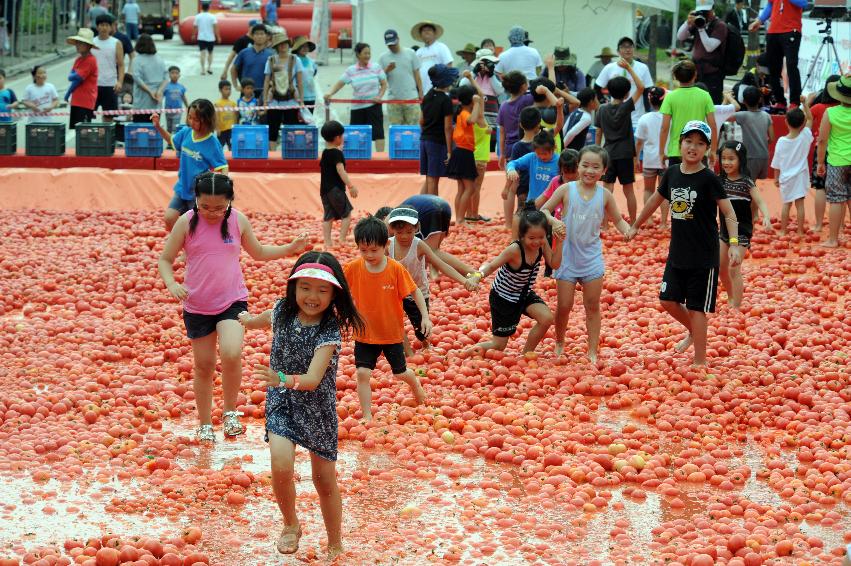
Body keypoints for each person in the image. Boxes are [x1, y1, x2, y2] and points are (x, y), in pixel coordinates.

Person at [158, 171, 309, 442]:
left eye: (219, 207)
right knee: (203, 365)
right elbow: (165, 259)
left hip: (231, 301)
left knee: (230, 352)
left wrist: (290, 248)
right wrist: (171, 284)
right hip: (197, 305)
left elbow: (259, 252)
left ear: (229, 202)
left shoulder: (237, 221)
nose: (212, 213)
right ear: (195, 200)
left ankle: (229, 412)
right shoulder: (186, 222)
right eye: (205, 206)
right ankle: (204, 422)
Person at [238, 251, 362, 560]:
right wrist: (246, 321)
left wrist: (278, 377)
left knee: (324, 481)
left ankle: (335, 543)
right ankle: (291, 524)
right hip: (282, 402)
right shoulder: (281, 311)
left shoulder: (329, 331)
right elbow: (262, 319)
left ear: (335, 293)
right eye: (305, 287)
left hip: (317, 409)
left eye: (322, 290)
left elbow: (311, 379)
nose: (312, 296)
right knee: (280, 465)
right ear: (293, 286)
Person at [628, 121, 743, 366]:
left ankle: (700, 360)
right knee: (667, 300)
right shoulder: (671, 173)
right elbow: (655, 202)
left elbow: (729, 213)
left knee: (696, 306)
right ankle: (694, 331)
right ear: (679, 144)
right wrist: (636, 224)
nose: (693, 147)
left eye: (700, 143)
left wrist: (733, 242)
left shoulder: (709, 179)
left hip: (704, 255)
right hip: (678, 253)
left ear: (707, 149)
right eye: (688, 141)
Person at [540, 145, 630, 361]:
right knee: (564, 305)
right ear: (578, 166)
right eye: (585, 165)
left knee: (592, 305)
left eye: (595, 167)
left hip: (591, 258)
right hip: (567, 257)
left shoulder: (605, 195)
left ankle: (592, 351)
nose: (590, 171)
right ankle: (559, 342)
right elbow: (543, 210)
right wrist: (553, 221)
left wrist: (628, 231)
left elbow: (617, 219)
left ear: (604, 170)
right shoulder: (566, 189)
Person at [344, 217, 430, 422]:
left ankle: (415, 384)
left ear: (386, 245)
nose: (369, 255)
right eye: (363, 250)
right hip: (364, 333)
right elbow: (338, 290)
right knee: (363, 373)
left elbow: (416, 292)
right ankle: (367, 415)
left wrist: (425, 317)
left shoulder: (395, 269)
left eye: (374, 250)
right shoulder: (353, 268)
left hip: (391, 334)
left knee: (400, 373)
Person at [465, 210, 563, 356]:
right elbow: (492, 265)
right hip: (503, 297)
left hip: (523, 293)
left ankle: (526, 354)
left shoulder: (541, 244)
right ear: (522, 236)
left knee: (546, 318)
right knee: (498, 346)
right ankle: (465, 353)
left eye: (541, 237)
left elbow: (554, 264)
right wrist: (476, 276)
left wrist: (560, 241)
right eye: (531, 238)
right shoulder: (514, 250)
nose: (536, 242)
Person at [386, 207, 476, 354]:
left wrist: (464, 281)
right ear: (392, 230)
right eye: (399, 233)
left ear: (417, 229)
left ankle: (426, 345)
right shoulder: (388, 245)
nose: (403, 236)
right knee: (394, 323)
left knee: (421, 329)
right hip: (394, 292)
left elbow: (440, 264)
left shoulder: (419, 245)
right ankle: (408, 354)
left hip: (417, 292)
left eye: (409, 232)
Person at [151, 99, 228, 230]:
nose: (191, 121)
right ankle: (183, 244)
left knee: (197, 227)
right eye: (189, 117)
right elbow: (171, 140)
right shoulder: (186, 132)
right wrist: (158, 126)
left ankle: (194, 247)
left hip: (198, 194)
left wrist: (221, 191)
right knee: (169, 218)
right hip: (182, 188)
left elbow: (222, 167)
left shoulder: (212, 143)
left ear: (206, 120)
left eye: (196, 119)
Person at [717, 140, 772, 309]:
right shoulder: (719, 181)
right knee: (720, 268)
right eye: (724, 158)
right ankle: (731, 295)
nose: (726, 162)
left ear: (741, 159)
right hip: (724, 231)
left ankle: (736, 306)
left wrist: (767, 216)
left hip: (742, 231)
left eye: (731, 158)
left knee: (734, 268)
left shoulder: (747, 182)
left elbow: (761, 201)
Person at [595, 58, 645, 222]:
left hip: (607, 153)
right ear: (626, 94)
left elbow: (598, 133)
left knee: (606, 188)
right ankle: (632, 221)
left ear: (608, 91)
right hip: (624, 153)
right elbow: (641, 87)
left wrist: (597, 152)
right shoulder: (626, 106)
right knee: (628, 189)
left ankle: (604, 223)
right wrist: (629, 68)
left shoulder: (601, 109)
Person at [325, 43, 387, 152]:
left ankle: (380, 157)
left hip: (374, 105)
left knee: (378, 133)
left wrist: (379, 96)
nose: (367, 55)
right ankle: (357, 157)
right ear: (358, 54)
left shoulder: (376, 67)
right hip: (357, 108)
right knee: (356, 134)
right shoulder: (351, 70)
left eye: (369, 53)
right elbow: (340, 84)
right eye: (365, 53)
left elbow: (384, 84)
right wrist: (330, 93)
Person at [748, 0, 805, 112]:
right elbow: (770, 4)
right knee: (773, 68)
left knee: (791, 65)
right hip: (773, 30)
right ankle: (780, 101)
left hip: (791, 29)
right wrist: (759, 20)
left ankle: (794, 102)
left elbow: (803, 3)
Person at [659, 60, 717, 168]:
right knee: (698, 184)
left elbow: (664, 128)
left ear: (676, 77)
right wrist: (713, 150)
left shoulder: (670, 97)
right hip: (699, 150)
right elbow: (713, 126)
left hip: (677, 151)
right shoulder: (705, 95)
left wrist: (661, 152)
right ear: (695, 75)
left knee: (677, 184)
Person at [816, 71, 851, 248]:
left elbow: (822, 140)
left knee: (837, 199)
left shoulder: (831, 113)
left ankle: (833, 239)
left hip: (837, 161)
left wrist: (820, 162)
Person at [772, 98, 812, 235]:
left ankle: (783, 230)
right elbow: (810, 120)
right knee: (800, 204)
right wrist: (806, 104)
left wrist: (776, 178)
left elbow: (776, 162)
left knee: (786, 204)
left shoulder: (782, 142)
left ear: (786, 122)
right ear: (803, 124)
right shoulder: (805, 136)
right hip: (801, 176)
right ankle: (800, 231)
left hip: (786, 177)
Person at [594, 37, 653, 127]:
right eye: (623, 47)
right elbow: (597, 87)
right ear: (618, 51)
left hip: (637, 117)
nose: (627, 49)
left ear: (634, 49)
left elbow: (647, 90)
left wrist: (648, 111)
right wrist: (603, 103)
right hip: (616, 116)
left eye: (630, 46)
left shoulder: (643, 67)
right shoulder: (610, 68)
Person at [677, 1, 728, 104]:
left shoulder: (720, 25)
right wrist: (687, 23)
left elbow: (709, 47)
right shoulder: (697, 21)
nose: (703, 13)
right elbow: (680, 36)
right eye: (702, 10)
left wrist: (701, 28)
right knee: (694, 103)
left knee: (711, 103)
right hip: (696, 72)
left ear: (712, 9)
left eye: (706, 11)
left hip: (713, 74)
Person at [446, 85, 483, 225]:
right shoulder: (465, 114)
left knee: (462, 188)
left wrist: (477, 103)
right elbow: (473, 120)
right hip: (463, 152)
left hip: (461, 152)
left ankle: (459, 218)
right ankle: (460, 218)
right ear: (471, 100)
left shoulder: (461, 112)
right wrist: (478, 103)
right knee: (470, 187)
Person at [419, 64, 457, 196]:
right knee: (433, 178)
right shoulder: (446, 100)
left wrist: (426, 133)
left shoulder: (427, 96)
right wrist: (449, 150)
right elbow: (448, 127)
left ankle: (420, 207)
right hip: (437, 142)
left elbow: (421, 121)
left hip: (424, 140)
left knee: (429, 177)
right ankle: (432, 211)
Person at [319, 121, 358, 249]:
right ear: (337, 138)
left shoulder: (325, 152)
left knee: (328, 216)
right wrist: (351, 186)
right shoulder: (337, 154)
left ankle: (327, 242)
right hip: (335, 190)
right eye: (342, 136)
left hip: (324, 190)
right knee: (346, 215)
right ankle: (342, 239)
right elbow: (341, 171)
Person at [809, 76, 840, 232]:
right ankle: (840, 226)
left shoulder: (819, 108)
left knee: (820, 188)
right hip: (842, 152)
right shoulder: (843, 109)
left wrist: (807, 102)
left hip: (822, 150)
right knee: (843, 191)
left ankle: (819, 224)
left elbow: (800, 120)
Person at [264, 32, 304, 151]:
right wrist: (265, 100)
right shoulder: (271, 60)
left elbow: (300, 81)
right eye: (280, 44)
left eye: (285, 43)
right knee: (273, 129)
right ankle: (272, 154)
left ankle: (290, 153)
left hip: (291, 99)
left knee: (291, 128)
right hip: (274, 100)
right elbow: (266, 81)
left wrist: (301, 100)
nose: (283, 46)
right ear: (276, 46)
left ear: (288, 44)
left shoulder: (295, 59)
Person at [503, 107, 542, 228]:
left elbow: (513, 170)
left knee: (522, 211)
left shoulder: (517, 146)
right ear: (538, 125)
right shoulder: (541, 144)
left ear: (520, 124)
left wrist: (507, 187)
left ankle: (514, 228)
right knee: (536, 210)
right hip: (538, 183)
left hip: (523, 185)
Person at [635, 86, 669, 227]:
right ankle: (663, 222)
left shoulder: (644, 118)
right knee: (664, 192)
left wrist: (636, 158)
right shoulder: (669, 117)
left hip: (649, 159)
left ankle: (648, 220)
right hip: (665, 159)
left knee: (648, 190)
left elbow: (639, 142)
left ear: (649, 100)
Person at [379, 29, 422, 126]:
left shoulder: (410, 53)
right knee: (395, 131)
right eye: (389, 45)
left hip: (411, 98)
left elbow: (417, 75)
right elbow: (379, 79)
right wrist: (387, 70)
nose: (392, 47)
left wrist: (420, 93)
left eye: (393, 43)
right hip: (393, 99)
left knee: (414, 128)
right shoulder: (383, 57)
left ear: (398, 39)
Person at [733, 86, 775, 183]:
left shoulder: (743, 115)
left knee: (748, 186)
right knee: (754, 185)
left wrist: (729, 98)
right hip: (764, 155)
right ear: (760, 99)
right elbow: (772, 138)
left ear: (743, 101)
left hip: (750, 156)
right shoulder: (767, 116)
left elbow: (724, 116)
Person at [92, 14, 124, 123]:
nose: (104, 28)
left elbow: (121, 64)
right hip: (93, 85)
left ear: (111, 27)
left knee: (109, 118)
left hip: (110, 85)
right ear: (97, 27)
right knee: (88, 116)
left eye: (106, 25)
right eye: (101, 25)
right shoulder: (91, 43)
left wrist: (120, 82)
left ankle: (106, 139)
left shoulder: (116, 43)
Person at [65, 28, 99, 129]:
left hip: (85, 101)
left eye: (81, 43)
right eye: (77, 43)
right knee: (77, 129)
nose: (77, 45)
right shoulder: (78, 59)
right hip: (76, 99)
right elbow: (72, 76)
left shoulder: (91, 60)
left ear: (88, 46)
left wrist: (67, 93)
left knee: (84, 131)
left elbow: (77, 78)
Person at [497, 71, 532, 169]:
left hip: (509, 149)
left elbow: (502, 132)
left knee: (513, 178)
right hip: (526, 146)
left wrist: (502, 154)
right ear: (523, 86)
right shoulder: (528, 99)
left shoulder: (503, 106)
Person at [458, 49, 503, 123]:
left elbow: (500, 91)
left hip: (491, 115)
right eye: (486, 62)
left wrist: (491, 75)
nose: (489, 65)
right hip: (475, 114)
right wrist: (474, 72)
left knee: (491, 133)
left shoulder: (494, 76)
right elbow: (462, 85)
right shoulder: (472, 75)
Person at [232, 24, 273, 103]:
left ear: (266, 36)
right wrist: (236, 85)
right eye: (257, 34)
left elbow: (275, 73)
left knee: (263, 114)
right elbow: (233, 69)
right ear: (252, 36)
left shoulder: (271, 55)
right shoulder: (244, 52)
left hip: (264, 91)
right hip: (246, 92)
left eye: (262, 34)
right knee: (245, 115)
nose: (259, 36)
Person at [130, 34, 166, 123]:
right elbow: (166, 78)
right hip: (157, 102)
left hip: (141, 102)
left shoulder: (137, 60)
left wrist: (150, 92)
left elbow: (137, 79)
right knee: (154, 130)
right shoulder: (159, 59)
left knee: (140, 130)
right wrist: (159, 91)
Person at [412, 21, 452, 93]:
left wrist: (446, 87)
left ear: (434, 33)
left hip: (440, 91)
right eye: (424, 31)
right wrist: (420, 91)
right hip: (423, 92)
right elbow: (416, 72)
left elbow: (449, 66)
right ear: (421, 35)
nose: (426, 32)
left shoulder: (442, 47)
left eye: (429, 30)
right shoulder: (418, 52)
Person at [562, 87, 598, 152]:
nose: (597, 102)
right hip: (573, 152)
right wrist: (561, 147)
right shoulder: (587, 118)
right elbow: (571, 133)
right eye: (596, 99)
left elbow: (564, 130)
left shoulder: (575, 111)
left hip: (568, 149)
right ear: (591, 102)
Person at [192, 1, 220, 76]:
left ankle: (202, 69)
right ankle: (209, 67)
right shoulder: (212, 16)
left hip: (201, 37)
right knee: (210, 53)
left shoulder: (198, 16)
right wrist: (218, 36)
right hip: (210, 38)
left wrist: (193, 35)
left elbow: (195, 27)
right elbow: (215, 27)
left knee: (202, 53)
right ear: (208, 8)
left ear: (202, 8)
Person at [292, 36, 318, 111]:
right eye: (302, 46)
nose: (305, 48)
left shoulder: (312, 62)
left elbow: (314, 74)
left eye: (307, 46)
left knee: (309, 119)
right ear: (297, 48)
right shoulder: (293, 60)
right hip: (297, 95)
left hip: (311, 95)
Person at [162, 66, 188, 133]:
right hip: (168, 110)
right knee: (169, 128)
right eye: (172, 73)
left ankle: (174, 142)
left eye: (176, 73)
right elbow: (161, 96)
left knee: (175, 128)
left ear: (179, 75)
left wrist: (188, 106)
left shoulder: (181, 87)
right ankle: (169, 142)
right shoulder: (166, 86)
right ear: (169, 75)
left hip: (178, 111)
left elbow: (183, 97)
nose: (174, 75)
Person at [215, 80, 238, 150]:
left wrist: (236, 126)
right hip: (222, 130)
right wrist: (217, 128)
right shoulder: (217, 103)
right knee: (219, 147)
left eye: (229, 89)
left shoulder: (233, 103)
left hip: (231, 129)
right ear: (220, 90)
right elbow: (216, 117)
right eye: (226, 89)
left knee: (232, 147)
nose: (228, 91)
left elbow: (235, 116)